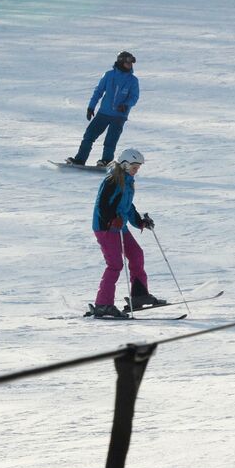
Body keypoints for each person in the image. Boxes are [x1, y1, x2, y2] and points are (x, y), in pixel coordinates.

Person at [88, 149, 166, 319]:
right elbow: (102, 205)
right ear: (124, 164)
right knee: (115, 265)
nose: (136, 170)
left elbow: (128, 206)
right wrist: (110, 220)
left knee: (137, 255)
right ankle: (103, 304)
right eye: (134, 166)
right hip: (105, 228)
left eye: (138, 167)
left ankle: (139, 296)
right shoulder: (112, 180)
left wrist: (140, 222)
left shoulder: (128, 181)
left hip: (120, 226)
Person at [67, 51, 140, 167]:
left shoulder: (133, 80)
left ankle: (106, 161)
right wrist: (91, 107)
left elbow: (134, 97)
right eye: (128, 63)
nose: (130, 65)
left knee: (110, 140)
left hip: (119, 116)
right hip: (104, 113)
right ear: (121, 62)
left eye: (131, 63)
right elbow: (98, 91)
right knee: (89, 135)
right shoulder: (109, 75)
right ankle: (80, 159)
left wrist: (126, 104)